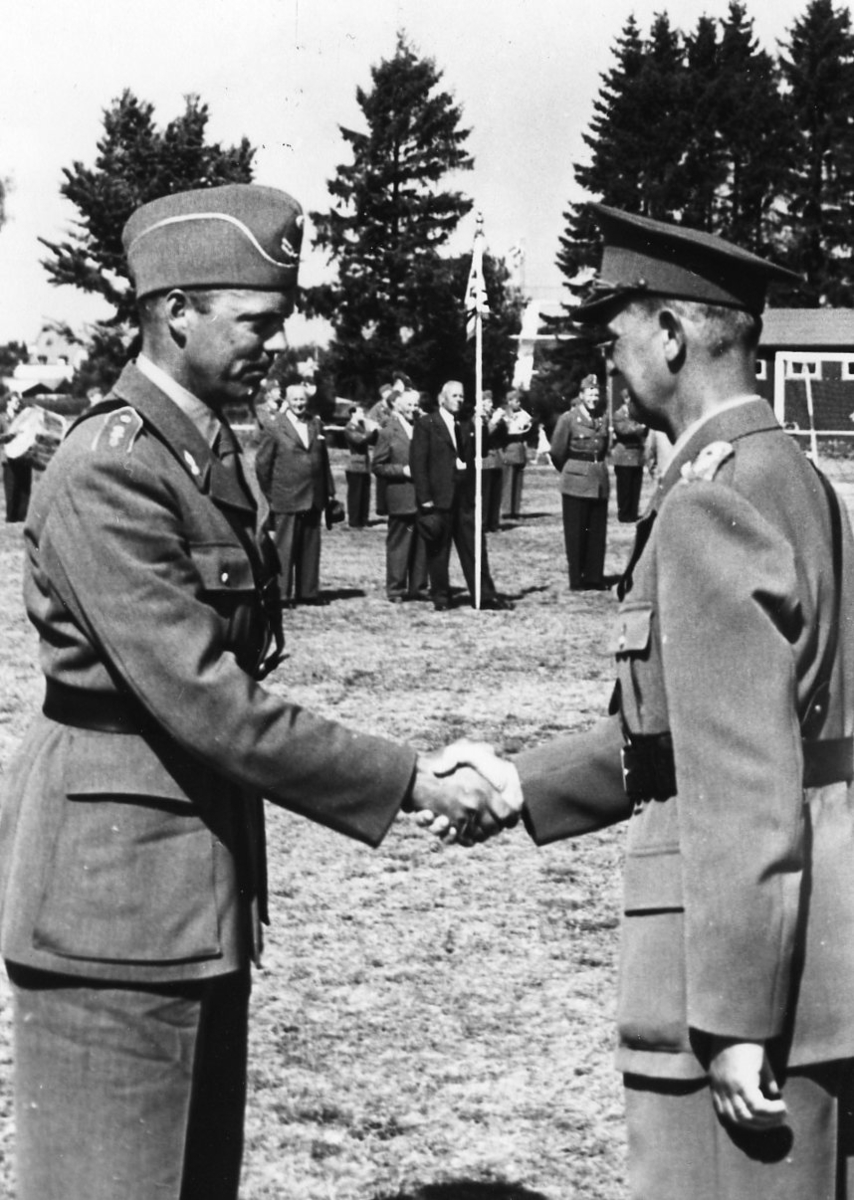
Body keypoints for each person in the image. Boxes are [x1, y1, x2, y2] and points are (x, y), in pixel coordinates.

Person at [0, 183, 522, 1200]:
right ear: (174, 311)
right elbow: (210, 701)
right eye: (254, 322)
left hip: (192, 881)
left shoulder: (202, 453)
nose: (273, 346)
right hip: (109, 904)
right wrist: (414, 780)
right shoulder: (111, 469)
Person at [508, 204, 854, 1198]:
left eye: (614, 335)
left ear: (668, 334)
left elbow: (742, 772)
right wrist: (524, 785)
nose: (611, 363)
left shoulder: (709, 497)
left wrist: (737, 1018)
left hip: (735, 982)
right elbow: (689, 728)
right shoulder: (794, 475)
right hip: (816, 951)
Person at [410, 379, 511, 612]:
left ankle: (484, 595)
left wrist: (482, 425)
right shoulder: (427, 424)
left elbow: (481, 450)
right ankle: (441, 596)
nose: (459, 400)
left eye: (461, 396)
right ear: (442, 398)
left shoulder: (466, 424)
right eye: (454, 396)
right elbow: (418, 463)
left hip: (464, 498)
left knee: (475, 548)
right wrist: (425, 499)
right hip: (439, 499)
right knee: (439, 551)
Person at [255, 382, 336, 605]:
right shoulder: (274, 426)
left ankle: (308, 593)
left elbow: (324, 459)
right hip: (286, 495)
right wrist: (271, 493)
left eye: (302, 400)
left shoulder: (315, 424)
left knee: (311, 546)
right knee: (285, 547)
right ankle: (281, 594)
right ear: (287, 401)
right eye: (295, 400)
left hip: (314, 495)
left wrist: (329, 491)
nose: (299, 404)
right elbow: (262, 465)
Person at [549, 374, 610, 590]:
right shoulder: (568, 419)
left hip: (598, 480)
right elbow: (557, 451)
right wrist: (570, 470)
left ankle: (594, 577)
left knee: (597, 533)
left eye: (596, 394)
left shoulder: (603, 419)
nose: (593, 397)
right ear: (581, 395)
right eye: (590, 393)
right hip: (575, 482)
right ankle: (576, 578)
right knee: (576, 533)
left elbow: (604, 448)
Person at [371, 387, 429, 603]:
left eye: (416, 405)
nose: (413, 409)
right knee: (399, 544)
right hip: (400, 496)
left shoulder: (424, 428)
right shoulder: (388, 431)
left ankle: (419, 587)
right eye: (409, 405)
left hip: (423, 497)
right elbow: (378, 466)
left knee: (422, 543)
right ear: (399, 406)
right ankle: (395, 588)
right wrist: (402, 471)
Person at [610, 389, 648, 522]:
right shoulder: (618, 414)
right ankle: (624, 514)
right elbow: (624, 430)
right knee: (624, 488)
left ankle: (633, 513)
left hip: (637, 456)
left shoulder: (637, 415)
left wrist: (640, 428)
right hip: (624, 457)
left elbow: (644, 429)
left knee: (635, 487)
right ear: (625, 400)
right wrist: (640, 428)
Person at [342, 402, 378, 527]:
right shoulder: (349, 428)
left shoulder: (361, 426)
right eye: (360, 412)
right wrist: (370, 431)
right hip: (355, 465)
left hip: (365, 465)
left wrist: (374, 430)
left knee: (365, 494)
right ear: (353, 413)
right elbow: (359, 440)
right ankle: (354, 521)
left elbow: (372, 440)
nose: (363, 414)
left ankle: (363, 519)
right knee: (355, 494)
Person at [0, 394, 32, 523]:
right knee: (11, 488)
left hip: (24, 457)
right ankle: (11, 517)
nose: (18, 403)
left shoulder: (23, 417)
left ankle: (22, 516)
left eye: (19, 401)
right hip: (9, 458)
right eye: (15, 401)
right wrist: (10, 436)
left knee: (25, 488)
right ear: (8, 402)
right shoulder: (2, 418)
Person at [479, 391, 507, 534]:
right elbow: (482, 436)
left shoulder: (492, 416)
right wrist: (494, 422)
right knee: (485, 494)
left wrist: (504, 422)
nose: (490, 404)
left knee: (496, 494)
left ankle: (494, 523)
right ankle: (483, 524)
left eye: (490, 401)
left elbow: (503, 436)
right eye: (486, 401)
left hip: (497, 459)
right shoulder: (478, 417)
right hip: (485, 460)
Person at [500, 389, 531, 519]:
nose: (517, 403)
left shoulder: (524, 415)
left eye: (519, 401)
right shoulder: (503, 414)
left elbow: (528, 430)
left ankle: (515, 510)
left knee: (517, 482)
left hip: (519, 449)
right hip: (509, 448)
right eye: (514, 401)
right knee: (508, 481)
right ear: (509, 401)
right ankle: (507, 510)